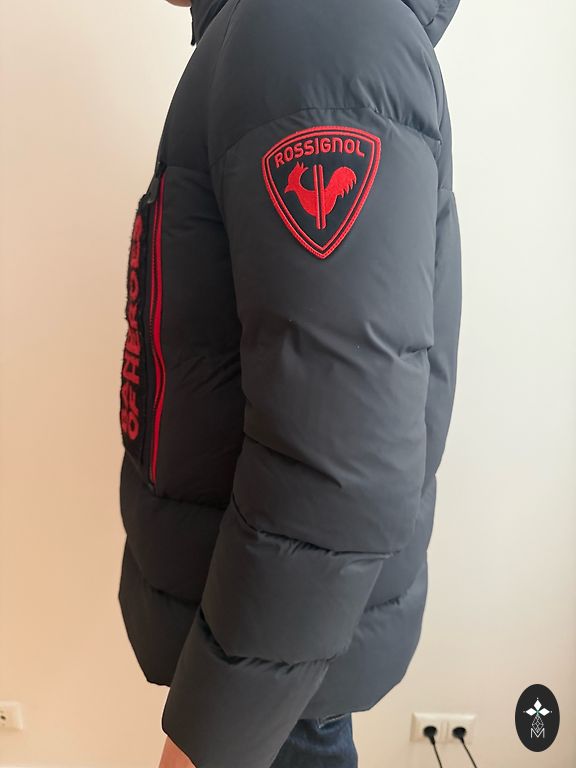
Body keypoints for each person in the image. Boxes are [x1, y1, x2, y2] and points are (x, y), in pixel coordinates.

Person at [117, 1, 462, 767]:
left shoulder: (314, 31)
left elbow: (335, 464)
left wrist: (212, 743)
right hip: (270, 654)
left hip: (272, 694)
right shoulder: (289, 32)